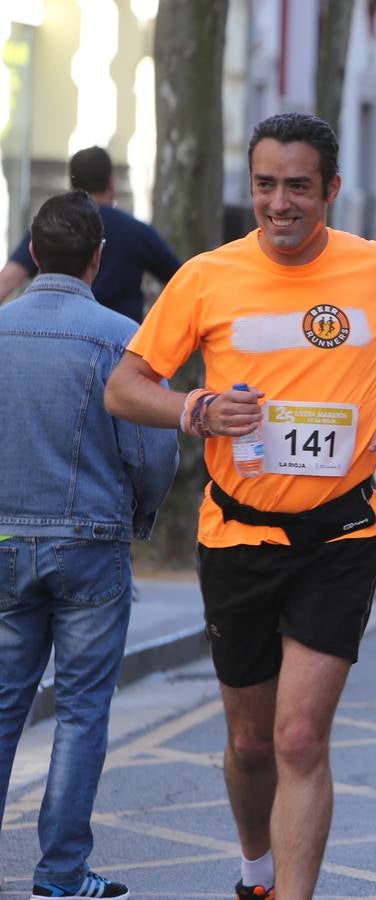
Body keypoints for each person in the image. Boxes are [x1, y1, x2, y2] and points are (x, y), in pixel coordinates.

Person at [104, 113, 376, 900]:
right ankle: (257, 872)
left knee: (297, 735)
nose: (279, 203)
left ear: (332, 190)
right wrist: (195, 409)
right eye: (264, 185)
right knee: (251, 743)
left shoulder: (372, 267)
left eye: (298, 187)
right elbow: (125, 385)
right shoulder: (210, 276)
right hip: (238, 535)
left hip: (343, 532)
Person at [0, 192, 178, 900]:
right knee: (80, 713)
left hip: (6, 537)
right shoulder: (119, 339)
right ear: (98, 259)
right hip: (92, 542)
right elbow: (153, 450)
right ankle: (61, 874)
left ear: (34, 254)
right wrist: (140, 515)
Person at [0, 147, 181, 321]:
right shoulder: (137, 231)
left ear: (71, 184)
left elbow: (6, 281)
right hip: (123, 345)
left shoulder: (53, 226)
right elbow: (182, 281)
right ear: (111, 182)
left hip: (63, 338)